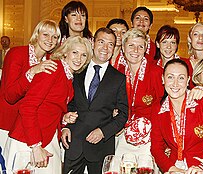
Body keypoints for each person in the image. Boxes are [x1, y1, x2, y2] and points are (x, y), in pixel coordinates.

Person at [4, 36, 92, 174]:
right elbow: (27, 107)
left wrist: (64, 118)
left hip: (47, 136)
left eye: (84, 55)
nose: (78, 58)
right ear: (65, 53)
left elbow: (49, 106)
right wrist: (35, 146)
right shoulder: (53, 69)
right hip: (27, 139)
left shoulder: (68, 76)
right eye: (75, 52)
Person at [62, 27, 128, 174]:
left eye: (110, 44)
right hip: (75, 142)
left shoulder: (119, 78)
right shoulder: (77, 69)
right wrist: (65, 125)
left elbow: (123, 114)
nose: (105, 48)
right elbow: (68, 103)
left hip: (101, 147)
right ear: (93, 43)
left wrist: (103, 132)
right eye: (101, 42)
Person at [150, 59, 203, 173]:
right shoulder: (157, 108)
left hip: (202, 168)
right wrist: (172, 169)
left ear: (188, 80)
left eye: (181, 78)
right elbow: (156, 148)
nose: (175, 83)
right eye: (170, 77)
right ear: (163, 79)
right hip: (174, 167)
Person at [0, 19, 60, 149]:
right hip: (8, 124)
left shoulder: (51, 61)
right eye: (45, 34)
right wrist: (32, 72)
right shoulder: (16, 54)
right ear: (36, 35)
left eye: (54, 37)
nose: (50, 39)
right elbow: (10, 96)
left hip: (31, 127)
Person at [115, 28, 164, 170]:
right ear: (123, 48)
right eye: (131, 45)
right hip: (122, 135)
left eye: (140, 46)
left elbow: (164, 107)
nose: (135, 50)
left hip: (148, 138)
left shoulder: (156, 72)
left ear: (145, 50)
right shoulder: (117, 73)